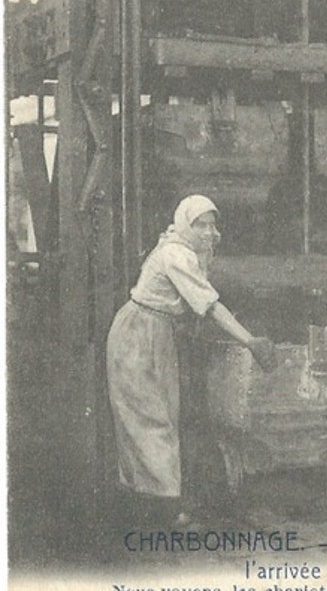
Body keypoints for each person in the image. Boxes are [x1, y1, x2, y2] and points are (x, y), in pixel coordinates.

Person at [107, 194, 276, 529]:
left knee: (162, 419)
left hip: (157, 333)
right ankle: (165, 511)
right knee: (150, 421)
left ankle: (150, 504)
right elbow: (210, 305)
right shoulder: (175, 254)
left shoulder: (184, 248)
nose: (208, 232)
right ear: (186, 223)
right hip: (138, 334)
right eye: (201, 224)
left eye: (212, 224)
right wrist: (250, 340)